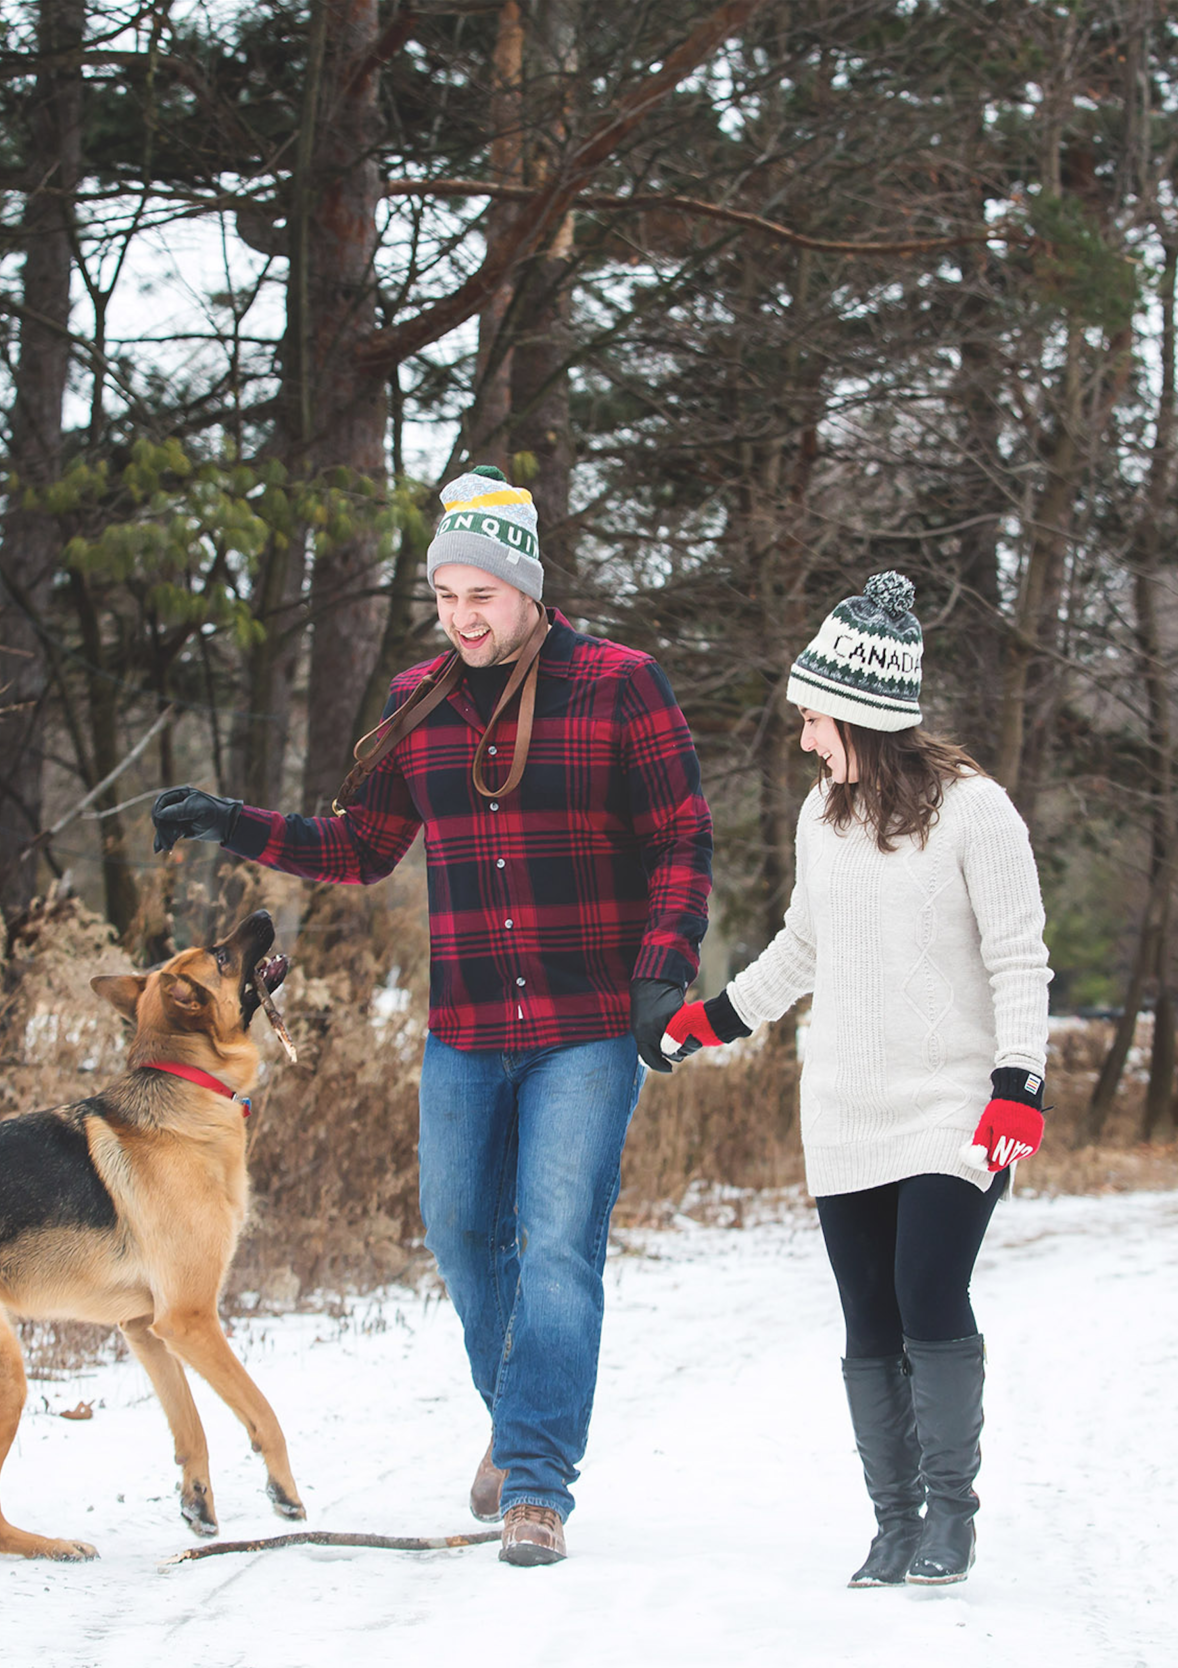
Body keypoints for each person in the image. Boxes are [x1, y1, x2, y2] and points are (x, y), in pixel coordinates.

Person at [149, 466, 712, 1567]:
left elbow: (683, 836)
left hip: (587, 1022)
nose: (461, 619)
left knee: (557, 1247)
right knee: (460, 1234)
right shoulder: (422, 700)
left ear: (529, 590)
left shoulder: (618, 685)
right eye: (446, 597)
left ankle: (537, 1481)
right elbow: (359, 847)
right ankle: (517, 1418)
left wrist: (663, 967)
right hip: (464, 1027)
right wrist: (233, 821)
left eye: (481, 598)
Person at [662, 571, 1049, 1588]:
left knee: (928, 1290)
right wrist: (709, 1020)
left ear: (860, 714)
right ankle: (893, 1521)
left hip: (956, 1104)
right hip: (841, 1107)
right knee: (868, 1318)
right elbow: (802, 947)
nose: (801, 737)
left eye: (811, 718)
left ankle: (951, 1515)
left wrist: (1020, 1083)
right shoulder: (821, 817)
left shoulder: (977, 814)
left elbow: (1018, 957)